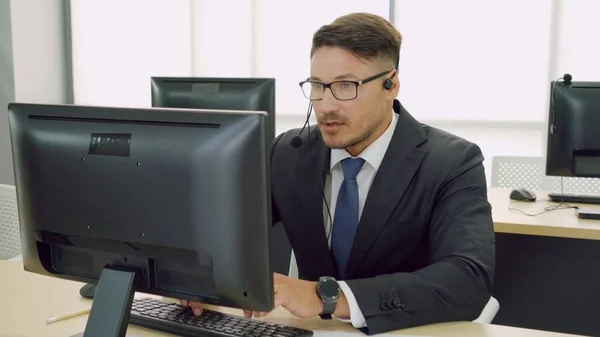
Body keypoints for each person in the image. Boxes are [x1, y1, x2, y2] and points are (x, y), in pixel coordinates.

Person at [182, 12, 495, 335]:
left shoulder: (451, 161)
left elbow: (468, 279)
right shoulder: (289, 152)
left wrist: (325, 297)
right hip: (311, 332)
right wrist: (202, 282)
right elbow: (231, 231)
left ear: (391, 84)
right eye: (318, 86)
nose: (326, 105)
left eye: (346, 85)